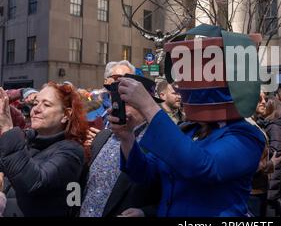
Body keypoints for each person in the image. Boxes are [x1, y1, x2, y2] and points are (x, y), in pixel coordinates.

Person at [109, 24, 266, 216]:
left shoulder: (246, 136)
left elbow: (203, 167)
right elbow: (145, 174)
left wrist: (149, 106)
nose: (181, 86)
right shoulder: (188, 130)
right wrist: (127, 138)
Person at [0, 83, 88, 217]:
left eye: (46, 105)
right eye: (35, 104)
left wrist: (7, 129)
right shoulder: (26, 140)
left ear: (66, 114)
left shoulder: (72, 151)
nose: (36, 109)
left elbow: (34, 183)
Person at [80, 75, 161, 217]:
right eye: (117, 98)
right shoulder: (101, 136)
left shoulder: (158, 143)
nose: (119, 104)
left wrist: (145, 213)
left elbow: (169, 197)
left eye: (128, 100)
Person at [86, 60, 135, 146]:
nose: (123, 82)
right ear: (106, 81)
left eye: (129, 78)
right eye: (117, 78)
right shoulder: (90, 114)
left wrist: (102, 140)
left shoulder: (138, 115)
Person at [263, 97, 281, 216]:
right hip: (271, 175)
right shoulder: (272, 125)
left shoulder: (274, 126)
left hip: (272, 177)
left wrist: (271, 185)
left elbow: (276, 154)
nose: (263, 105)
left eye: (266, 105)